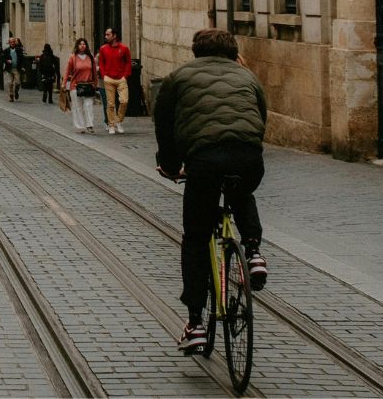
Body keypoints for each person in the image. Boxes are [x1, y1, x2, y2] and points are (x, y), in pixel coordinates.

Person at [154, 28, 268, 354]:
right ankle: (254, 251)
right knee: (241, 191)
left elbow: (164, 124)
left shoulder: (178, 77)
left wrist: (171, 165)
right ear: (233, 50)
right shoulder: (248, 76)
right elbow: (260, 117)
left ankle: (196, 324)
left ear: (195, 51)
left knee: (195, 236)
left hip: (203, 162)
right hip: (248, 158)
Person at [97, 27, 132, 134]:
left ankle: (119, 121)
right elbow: (101, 62)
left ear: (114, 35)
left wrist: (125, 75)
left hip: (121, 78)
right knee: (110, 104)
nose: (106, 36)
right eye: (106, 34)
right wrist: (104, 75)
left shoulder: (124, 48)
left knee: (124, 101)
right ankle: (111, 125)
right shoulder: (103, 49)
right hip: (109, 79)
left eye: (108, 34)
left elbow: (128, 62)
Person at [64, 38, 97, 134]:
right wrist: (64, 83)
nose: (82, 45)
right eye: (80, 44)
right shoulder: (73, 57)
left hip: (88, 85)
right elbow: (67, 71)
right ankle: (81, 126)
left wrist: (95, 83)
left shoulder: (90, 57)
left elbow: (94, 71)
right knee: (77, 107)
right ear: (77, 46)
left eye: (84, 44)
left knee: (88, 105)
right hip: (76, 85)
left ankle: (90, 125)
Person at [3, 37, 25, 102]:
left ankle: (16, 91)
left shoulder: (19, 50)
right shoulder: (6, 50)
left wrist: (22, 66)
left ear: (15, 43)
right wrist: (7, 61)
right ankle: (11, 96)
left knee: (18, 82)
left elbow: (22, 59)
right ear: (9, 43)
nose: (12, 43)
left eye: (13, 42)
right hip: (9, 69)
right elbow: (3, 58)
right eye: (11, 42)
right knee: (10, 82)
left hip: (16, 69)